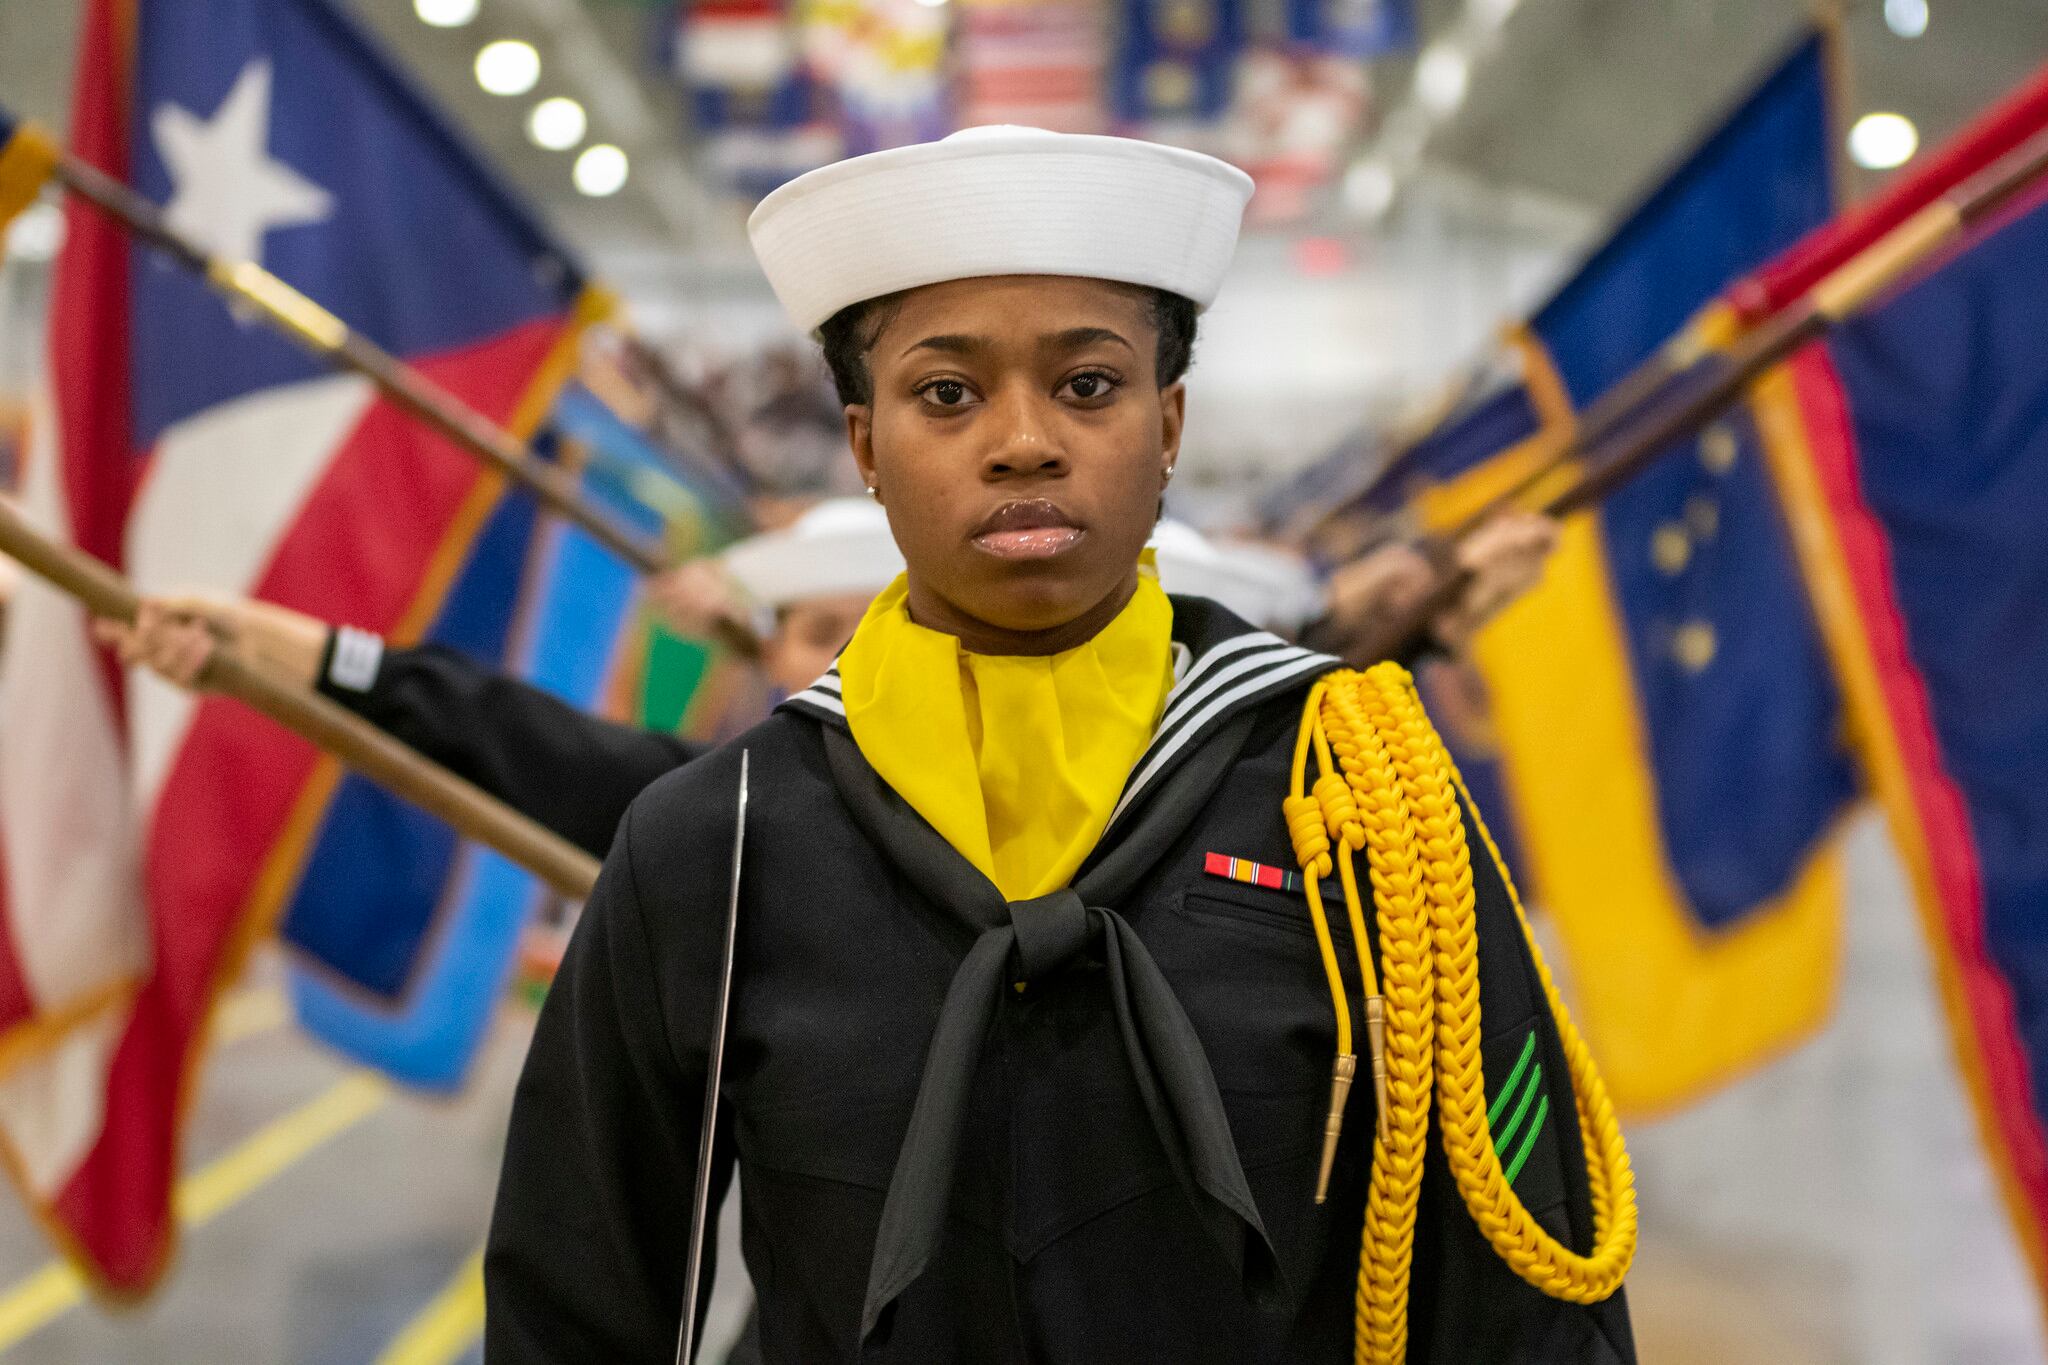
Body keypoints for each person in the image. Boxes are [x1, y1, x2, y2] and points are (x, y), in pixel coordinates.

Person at [480, 126, 1636, 1364]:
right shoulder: (720, 842)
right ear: (866, 446)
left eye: (1087, 385)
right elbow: (578, 1306)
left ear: (1169, 424)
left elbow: (1526, 1282)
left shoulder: (1365, 813)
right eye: (946, 394)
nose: (1023, 440)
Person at [92, 498, 909, 858]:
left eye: (876, 629)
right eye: (819, 632)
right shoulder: (728, 815)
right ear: (770, 660)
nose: (846, 658)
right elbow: (485, 718)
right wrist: (261, 645)